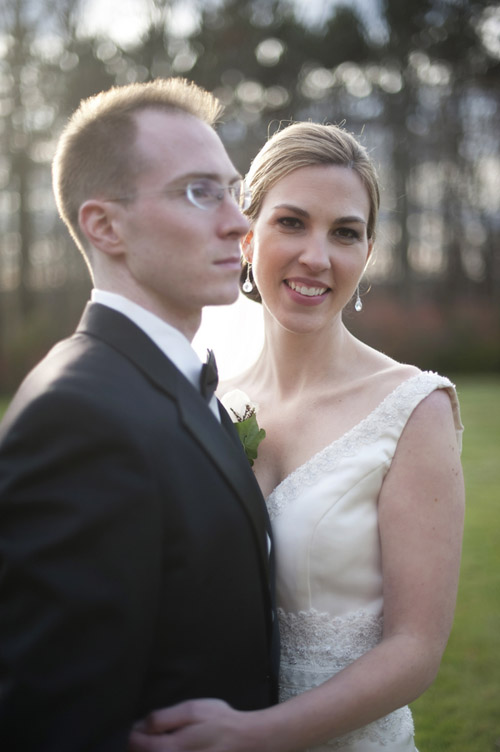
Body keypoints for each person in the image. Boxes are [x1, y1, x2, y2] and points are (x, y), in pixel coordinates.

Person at [128, 122, 465, 751]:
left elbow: (416, 649)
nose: (318, 256)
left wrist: (257, 734)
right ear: (248, 235)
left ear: (367, 252)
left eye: (345, 232)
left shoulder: (415, 410)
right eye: (292, 222)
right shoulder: (212, 397)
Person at [0, 78, 279, 750]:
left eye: (233, 190)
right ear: (105, 225)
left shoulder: (165, 381)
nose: (240, 223)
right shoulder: (79, 417)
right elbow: (53, 720)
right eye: (197, 191)